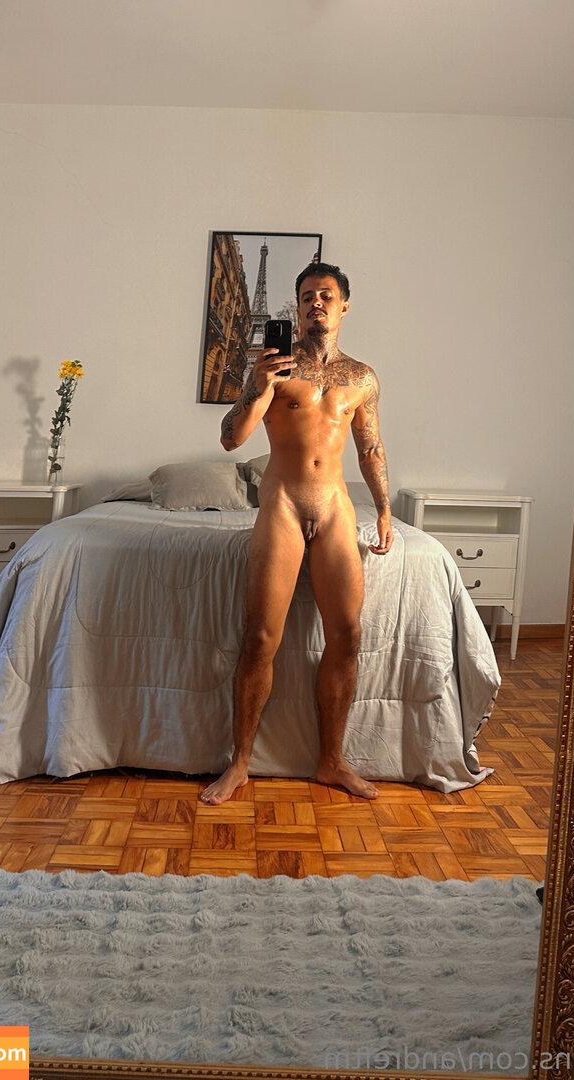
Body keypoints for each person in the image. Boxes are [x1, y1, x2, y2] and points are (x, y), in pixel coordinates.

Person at [199, 262, 393, 806]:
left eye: (326, 295)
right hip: (282, 504)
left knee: (347, 635)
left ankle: (332, 761)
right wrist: (258, 386)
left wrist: (383, 509)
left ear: (344, 305)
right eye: (307, 296)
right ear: (297, 306)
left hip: (334, 507)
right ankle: (240, 763)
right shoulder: (274, 367)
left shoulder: (362, 378)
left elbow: (370, 448)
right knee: (261, 637)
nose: (316, 304)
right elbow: (231, 439)